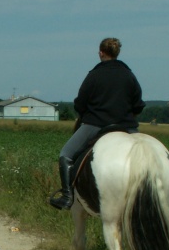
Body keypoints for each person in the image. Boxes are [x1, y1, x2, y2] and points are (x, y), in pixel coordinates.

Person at [49, 37, 145, 210]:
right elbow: (138, 104)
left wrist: (88, 114)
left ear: (101, 52)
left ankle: (67, 196)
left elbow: (80, 104)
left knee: (66, 155)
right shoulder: (129, 75)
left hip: (96, 124)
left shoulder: (94, 75)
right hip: (127, 127)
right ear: (117, 53)